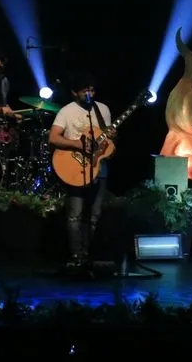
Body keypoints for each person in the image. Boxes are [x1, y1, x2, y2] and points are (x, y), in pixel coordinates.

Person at [48, 72, 112, 268]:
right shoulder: (66, 111)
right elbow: (53, 138)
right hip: (74, 167)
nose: (89, 94)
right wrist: (77, 144)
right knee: (75, 214)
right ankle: (77, 256)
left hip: (98, 168)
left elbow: (107, 141)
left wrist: (111, 138)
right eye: (85, 90)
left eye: (92, 90)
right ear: (74, 93)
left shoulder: (102, 110)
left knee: (94, 215)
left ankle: (90, 254)